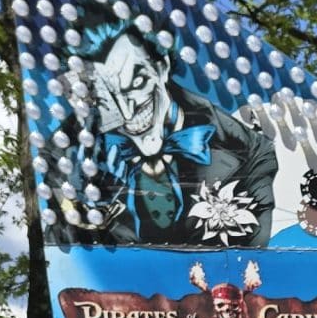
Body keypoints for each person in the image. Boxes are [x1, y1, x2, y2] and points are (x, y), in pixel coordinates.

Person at [64, 19, 277, 248]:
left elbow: (253, 257)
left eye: (137, 82)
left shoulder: (249, 156)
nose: (127, 112)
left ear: (162, 67)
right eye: (107, 97)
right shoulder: (67, 160)